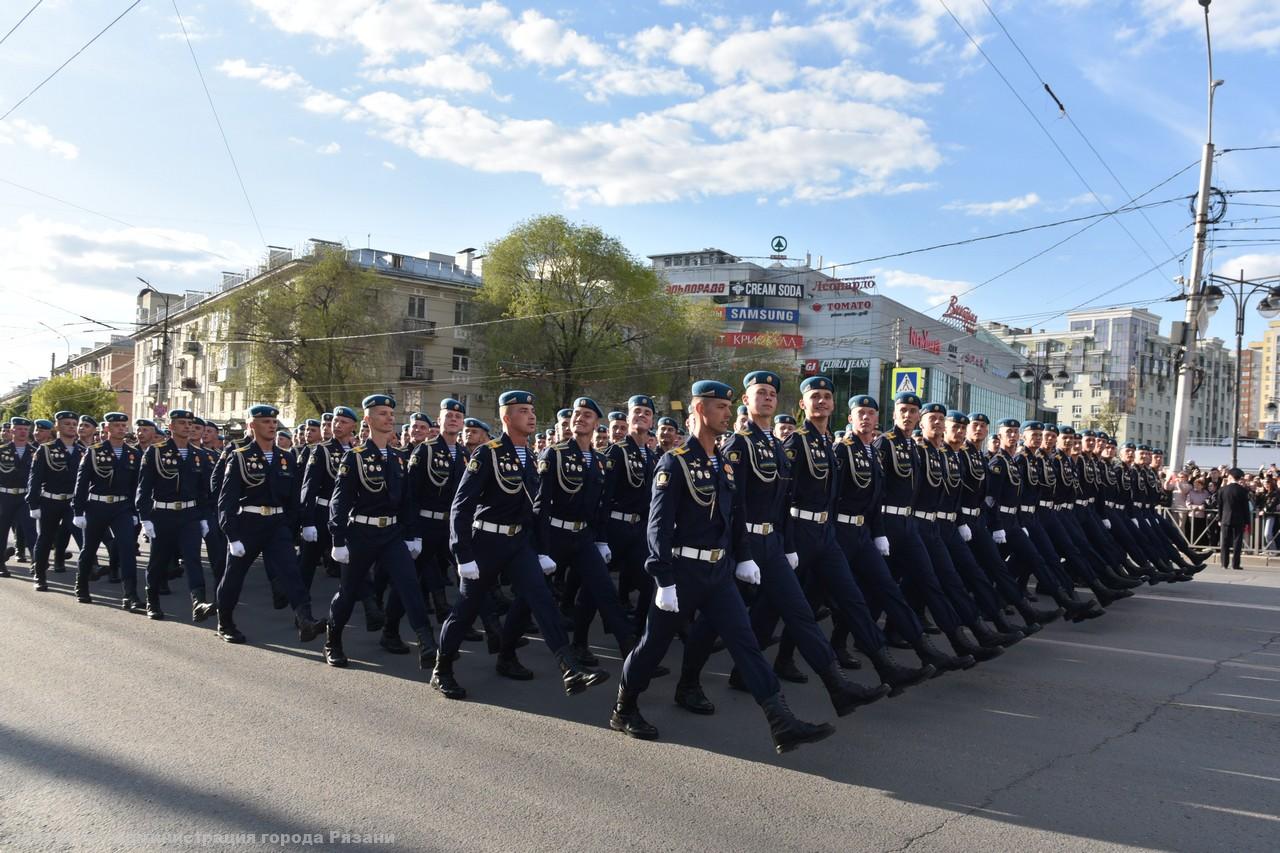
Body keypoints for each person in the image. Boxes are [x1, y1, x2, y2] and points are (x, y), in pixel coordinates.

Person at [610, 379, 836, 754]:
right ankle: (624, 707)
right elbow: (658, 525)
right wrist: (663, 578)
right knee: (653, 645)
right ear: (700, 409)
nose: (728, 413)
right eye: (720, 407)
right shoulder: (675, 461)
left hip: (718, 573)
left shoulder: (723, 463)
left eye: (730, 407)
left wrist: (743, 556)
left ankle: (782, 722)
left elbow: (736, 515)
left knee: (746, 643)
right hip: (681, 573)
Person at [432, 390, 607, 700]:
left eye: (532, 409)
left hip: (519, 543)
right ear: (506, 417)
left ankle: (569, 667)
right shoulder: (489, 453)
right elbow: (462, 505)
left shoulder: (531, 458)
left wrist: (541, 550)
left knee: (542, 599)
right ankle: (442, 668)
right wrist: (463, 553)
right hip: (486, 542)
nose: (531, 415)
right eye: (523, 410)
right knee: (466, 608)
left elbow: (537, 509)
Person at [325, 394, 436, 669]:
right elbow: (340, 500)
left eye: (390, 413)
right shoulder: (355, 457)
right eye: (382, 413)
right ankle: (333, 641)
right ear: (368, 419)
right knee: (349, 592)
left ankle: (428, 644)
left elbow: (408, 501)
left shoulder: (399, 459)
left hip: (392, 534)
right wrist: (338, 539)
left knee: (410, 585)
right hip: (361, 532)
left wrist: (412, 535)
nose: (389, 418)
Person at [215, 404, 325, 644]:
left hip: (276, 524)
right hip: (247, 523)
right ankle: (225, 621)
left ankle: (305, 619)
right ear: (252, 426)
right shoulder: (240, 456)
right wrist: (232, 535)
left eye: (274, 422)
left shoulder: (286, 458)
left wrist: (296, 526)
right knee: (234, 576)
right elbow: (227, 500)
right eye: (265, 422)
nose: (272, 426)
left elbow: (295, 498)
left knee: (291, 573)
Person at [71, 413, 142, 608]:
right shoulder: (94, 452)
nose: (122, 428)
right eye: (117, 425)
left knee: (127, 549)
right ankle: (82, 586)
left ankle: (130, 595)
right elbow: (82, 483)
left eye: (123, 425)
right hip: (97, 506)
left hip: (122, 507)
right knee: (89, 549)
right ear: (107, 429)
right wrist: (78, 511)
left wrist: (136, 512)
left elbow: (137, 486)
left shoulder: (134, 454)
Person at [27, 410, 83, 588]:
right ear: (57, 426)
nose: (72, 427)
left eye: (74, 424)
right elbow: (34, 479)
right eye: (67, 424)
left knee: (83, 538)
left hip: (72, 503)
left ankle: (85, 576)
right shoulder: (46, 449)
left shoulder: (83, 451)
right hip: (50, 501)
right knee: (45, 538)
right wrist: (33, 503)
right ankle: (40, 574)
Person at [0, 417, 38, 578]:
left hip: (25, 496)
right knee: (2, 531)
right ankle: (1, 563)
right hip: (4, 496)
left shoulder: (35, 451)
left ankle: (37, 563)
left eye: (25, 429)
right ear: (12, 431)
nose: (23, 431)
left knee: (31, 532)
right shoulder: (2, 450)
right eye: (19, 428)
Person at [1218, 467, 1250, 571]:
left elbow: (1220, 506)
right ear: (1239, 478)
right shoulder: (1243, 491)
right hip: (1239, 519)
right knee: (1237, 542)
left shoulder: (1222, 490)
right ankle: (1235, 564)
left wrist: (1219, 519)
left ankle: (1224, 563)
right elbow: (1246, 507)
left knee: (1225, 541)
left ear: (1230, 477)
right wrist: (1247, 521)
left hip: (1225, 518)